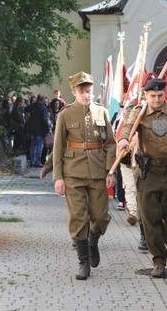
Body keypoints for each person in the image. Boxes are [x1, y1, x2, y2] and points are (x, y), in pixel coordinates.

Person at [116, 78, 167, 278]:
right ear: (146, 95)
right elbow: (128, 127)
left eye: (160, 95)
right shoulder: (139, 112)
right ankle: (159, 261)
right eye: (152, 96)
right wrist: (123, 139)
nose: (156, 99)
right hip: (149, 171)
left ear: (165, 95)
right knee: (150, 218)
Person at [53, 71, 116, 280]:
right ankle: (83, 262)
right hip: (73, 173)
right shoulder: (65, 114)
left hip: (98, 171)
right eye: (82, 91)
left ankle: (93, 241)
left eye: (89, 91)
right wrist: (58, 177)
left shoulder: (102, 112)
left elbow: (110, 144)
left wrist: (111, 171)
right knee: (78, 217)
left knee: (100, 217)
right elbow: (58, 147)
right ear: (73, 92)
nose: (86, 95)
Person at [25, 95, 49, 168]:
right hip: (40, 130)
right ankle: (38, 162)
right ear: (42, 100)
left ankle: (32, 161)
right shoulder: (43, 108)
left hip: (32, 129)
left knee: (33, 146)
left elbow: (26, 109)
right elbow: (44, 120)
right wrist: (47, 129)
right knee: (39, 146)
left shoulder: (33, 106)